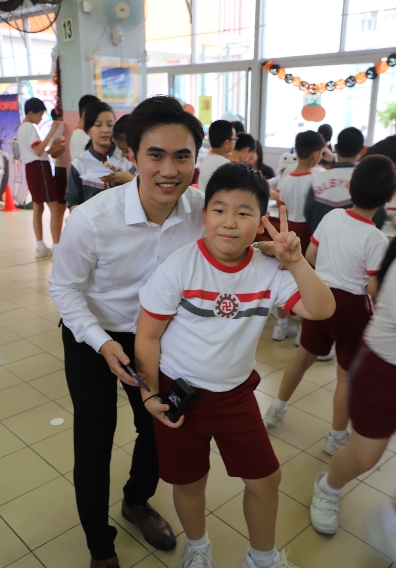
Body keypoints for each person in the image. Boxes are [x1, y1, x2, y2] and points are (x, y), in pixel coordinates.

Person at [135, 163, 335, 568]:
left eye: (243, 213)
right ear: (204, 215)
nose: (229, 222)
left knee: (266, 479)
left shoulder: (269, 269)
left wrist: (297, 261)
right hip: (181, 394)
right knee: (190, 482)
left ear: (261, 223)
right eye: (219, 210)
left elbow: (321, 309)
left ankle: (262, 557)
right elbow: (147, 336)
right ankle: (197, 547)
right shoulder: (179, 266)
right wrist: (149, 393)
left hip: (236, 396)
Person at [49, 95, 207, 568]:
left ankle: (137, 501)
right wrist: (102, 344)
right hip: (93, 334)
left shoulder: (201, 211)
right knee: (94, 441)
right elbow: (63, 287)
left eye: (182, 156)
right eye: (155, 155)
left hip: (158, 336)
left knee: (159, 428)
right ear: (132, 155)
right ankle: (100, 547)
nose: (169, 170)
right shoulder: (93, 219)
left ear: (195, 159)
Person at [264, 156, 395, 458]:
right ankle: (335, 437)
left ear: (350, 187)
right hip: (352, 308)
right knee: (345, 376)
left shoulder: (332, 217)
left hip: (319, 298)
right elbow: (373, 288)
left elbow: (309, 256)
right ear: (389, 198)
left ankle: (276, 409)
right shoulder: (377, 239)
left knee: (302, 357)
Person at [309, 237, 396, 556]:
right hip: (384, 367)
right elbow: (375, 287)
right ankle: (328, 487)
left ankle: (391, 519)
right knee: (364, 456)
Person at [65, 102, 134, 211]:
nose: (105, 130)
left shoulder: (128, 160)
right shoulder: (78, 165)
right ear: (88, 129)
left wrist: (123, 180)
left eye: (110, 125)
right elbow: (73, 202)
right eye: (98, 125)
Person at [17, 97, 63, 259]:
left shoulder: (22, 128)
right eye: (40, 115)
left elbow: (39, 151)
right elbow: (37, 152)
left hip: (32, 169)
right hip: (39, 169)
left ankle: (40, 246)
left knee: (38, 207)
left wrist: (51, 148)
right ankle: (57, 247)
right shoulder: (30, 127)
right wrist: (51, 132)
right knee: (55, 207)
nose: (41, 119)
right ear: (31, 114)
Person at [304, 127, 366, 234]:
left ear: (335, 149)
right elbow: (376, 216)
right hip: (354, 243)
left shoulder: (319, 178)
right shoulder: (365, 181)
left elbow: (308, 212)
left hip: (320, 241)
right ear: (363, 150)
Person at [277, 131, 325, 256]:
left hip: (289, 227)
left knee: (290, 258)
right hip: (308, 229)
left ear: (296, 152)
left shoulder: (285, 180)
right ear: (316, 154)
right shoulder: (316, 181)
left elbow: (281, 209)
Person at [198, 120, 237, 193]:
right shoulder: (226, 166)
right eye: (235, 139)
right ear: (226, 143)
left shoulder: (206, 158)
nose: (235, 141)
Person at [50, 108, 67, 232]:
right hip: (61, 169)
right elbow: (53, 154)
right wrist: (63, 147)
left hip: (72, 169)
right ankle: (57, 240)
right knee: (60, 207)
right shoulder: (56, 133)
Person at [69, 94, 99, 161]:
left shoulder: (84, 132)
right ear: (86, 113)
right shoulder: (79, 135)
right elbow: (83, 162)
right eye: (96, 113)